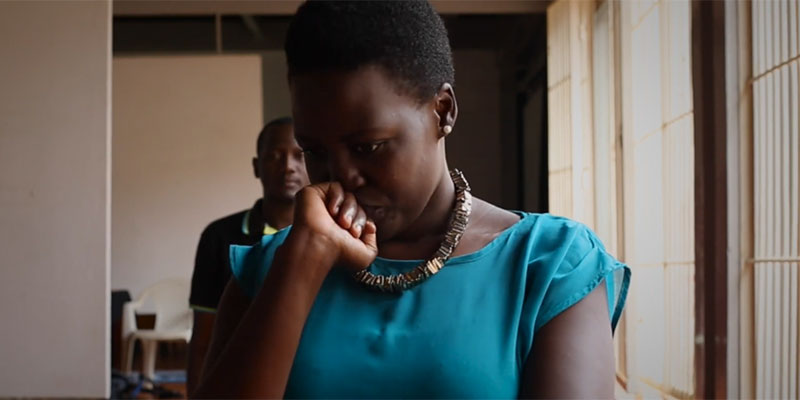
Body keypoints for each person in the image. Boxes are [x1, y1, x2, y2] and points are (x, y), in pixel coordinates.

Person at [194, 2, 630, 398]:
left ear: (443, 111)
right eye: (315, 150)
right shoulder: (268, 271)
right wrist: (303, 261)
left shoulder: (550, 266)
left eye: (368, 147)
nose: (341, 176)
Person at [186, 117, 309, 395]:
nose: (288, 166)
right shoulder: (219, 236)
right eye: (274, 156)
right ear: (256, 167)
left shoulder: (336, 237)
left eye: (299, 156)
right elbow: (203, 337)